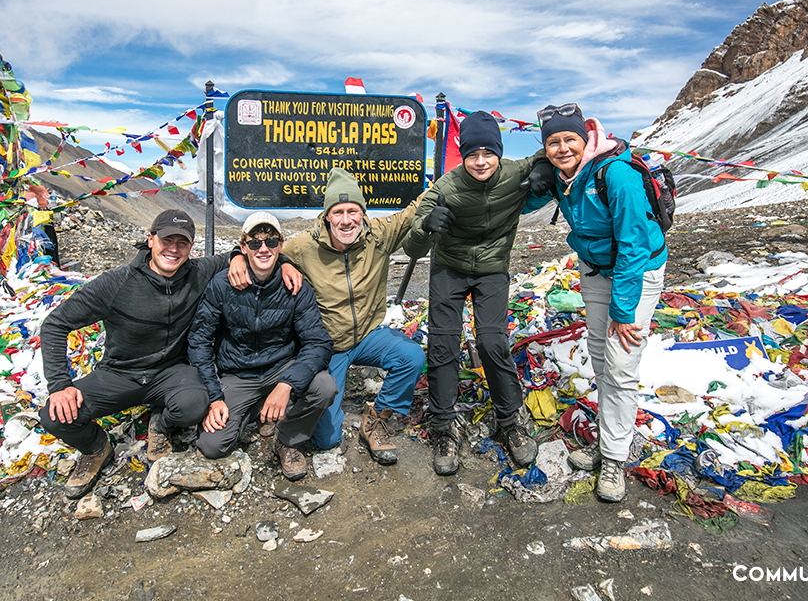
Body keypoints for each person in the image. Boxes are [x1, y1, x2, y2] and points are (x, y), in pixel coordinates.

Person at [39, 210, 299, 498]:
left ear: (190, 246)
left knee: (196, 403)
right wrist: (60, 385)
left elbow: (255, 251)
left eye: (182, 242)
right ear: (150, 240)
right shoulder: (116, 283)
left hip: (171, 373)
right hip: (119, 373)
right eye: (166, 240)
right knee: (55, 416)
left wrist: (284, 264)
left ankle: (160, 425)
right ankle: (96, 447)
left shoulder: (197, 273)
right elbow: (56, 323)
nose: (173, 249)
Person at [523, 103, 667, 502]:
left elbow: (635, 245)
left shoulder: (615, 173)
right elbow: (517, 204)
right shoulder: (558, 175)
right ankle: (609, 438)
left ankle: (615, 459)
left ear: (585, 138)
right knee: (600, 356)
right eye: (553, 142)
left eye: (570, 139)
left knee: (621, 364)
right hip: (594, 268)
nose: (563, 148)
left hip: (636, 272)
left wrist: (623, 311)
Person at [234, 168, 425, 465]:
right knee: (327, 440)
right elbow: (267, 251)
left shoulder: (379, 236)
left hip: (369, 335)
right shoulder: (304, 246)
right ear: (327, 216)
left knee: (411, 355)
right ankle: (289, 424)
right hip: (328, 345)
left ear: (362, 213)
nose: (346, 219)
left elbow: (416, 209)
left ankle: (377, 419)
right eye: (338, 212)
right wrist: (242, 256)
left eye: (353, 211)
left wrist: (461, 175)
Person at [402, 111, 543, 475]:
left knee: (494, 342)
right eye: (472, 154)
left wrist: (545, 171)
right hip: (449, 268)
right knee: (443, 344)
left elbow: (556, 151)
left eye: (488, 153)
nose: (480, 162)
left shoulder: (515, 172)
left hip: (492, 269)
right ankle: (443, 429)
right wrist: (427, 227)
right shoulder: (445, 188)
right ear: (462, 155)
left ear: (499, 152)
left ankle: (510, 422)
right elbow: (412, 247)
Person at [187, 212, 336, 480]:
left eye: (271, 241)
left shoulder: (296, 285)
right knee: (212, 446)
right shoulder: (222, 284)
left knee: (325, 388)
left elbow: (318, 342)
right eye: (255, 243)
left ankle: (286, 439)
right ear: (243, 247)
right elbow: (199, 340)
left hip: (281, 366)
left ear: (281, 245)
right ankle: (255, 412)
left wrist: (286, 384)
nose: (263, 249)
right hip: (237, 373)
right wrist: (213, 397)